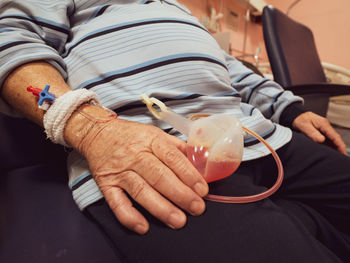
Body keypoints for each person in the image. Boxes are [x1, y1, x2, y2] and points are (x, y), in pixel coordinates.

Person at [0, 0, 349, 262]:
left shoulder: (177, 9)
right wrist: (91, 130)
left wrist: (290, 108)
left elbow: (234, 70)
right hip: (158, 153)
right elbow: (10, 41)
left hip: (257, 135)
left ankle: (303, 222)